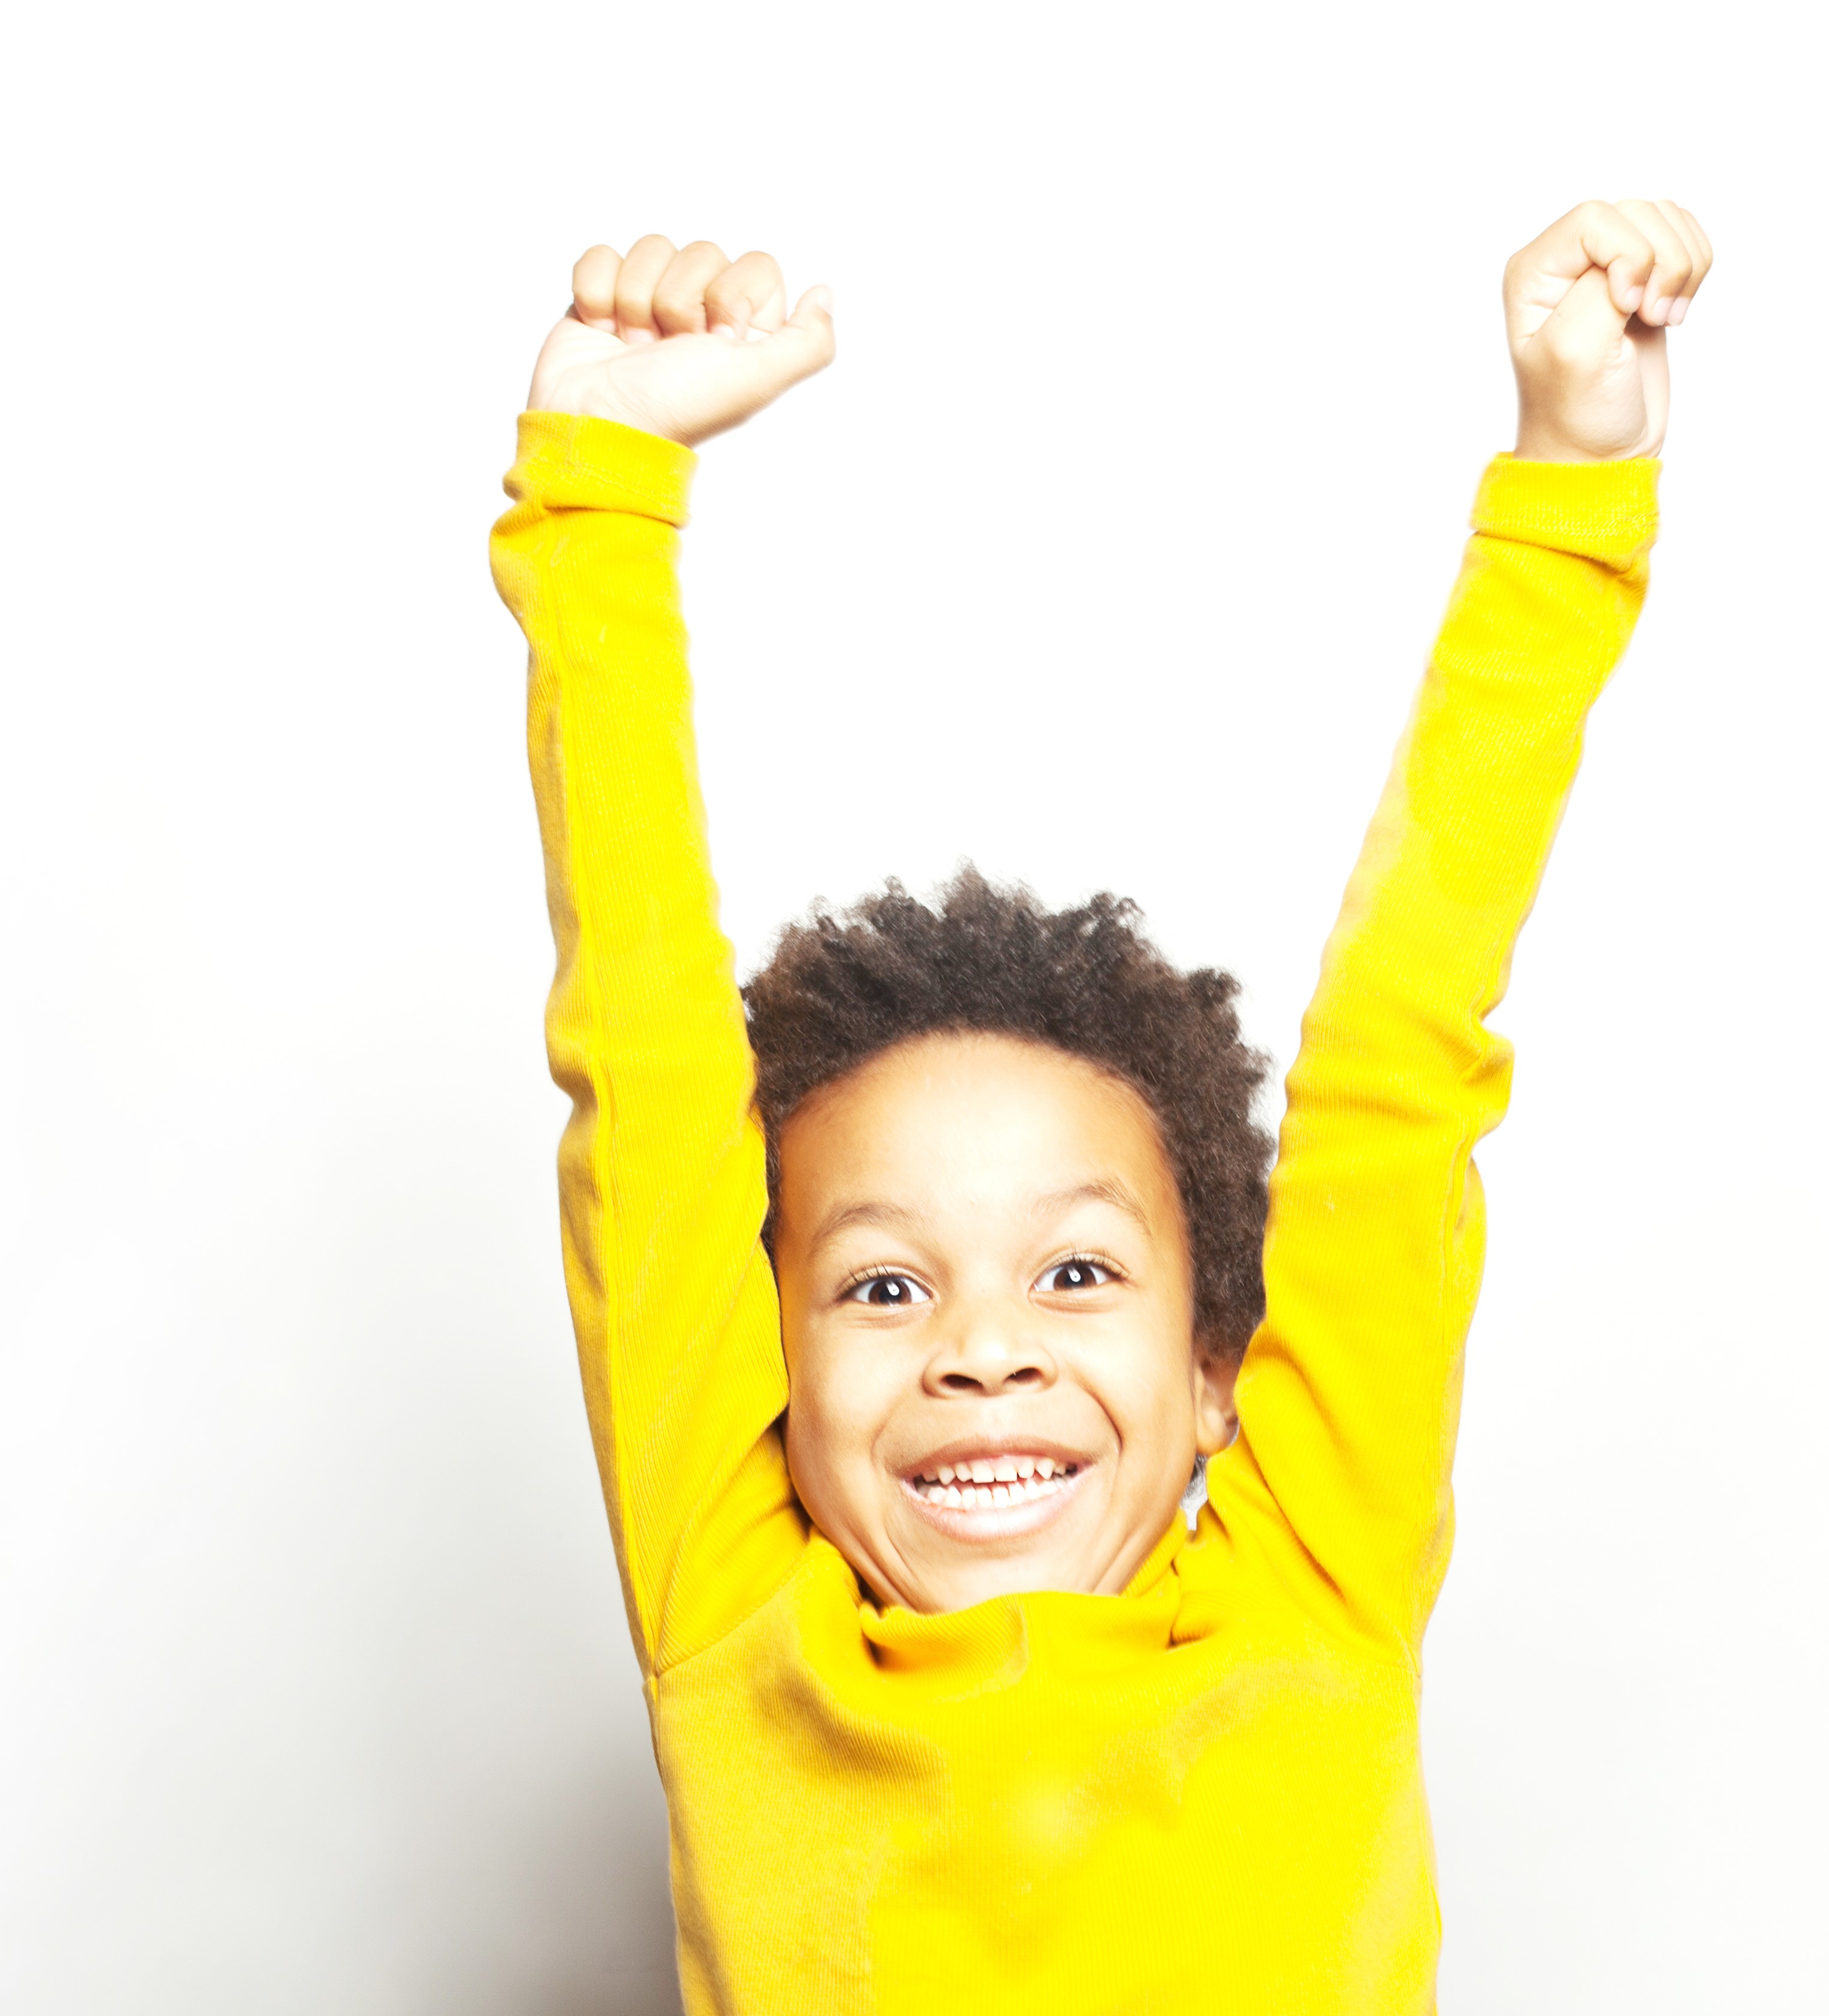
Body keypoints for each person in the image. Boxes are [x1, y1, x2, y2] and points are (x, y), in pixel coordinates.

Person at [489, 200, 1713, 2012]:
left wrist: (1565, 497)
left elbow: (1399, 1057)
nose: (984, 1350)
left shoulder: (1315, 1585)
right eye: (886, 1286)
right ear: (766, 1362)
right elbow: (651, 1069)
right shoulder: (745, 1629)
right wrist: (598, 502)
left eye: (1075, 1272)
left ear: (1219, 1361)